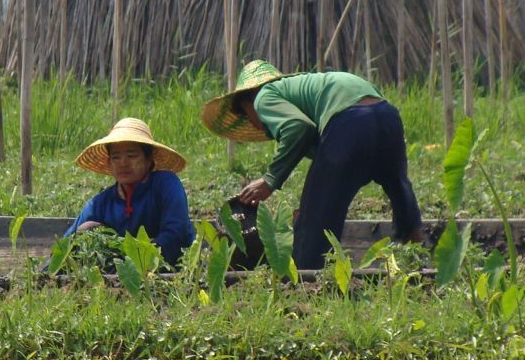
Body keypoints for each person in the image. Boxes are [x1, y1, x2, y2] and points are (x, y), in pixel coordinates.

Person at [200, 60, 422, 270]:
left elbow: (298, 128)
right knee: (399, 188)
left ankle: (307, 285)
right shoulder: (302, 90)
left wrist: (270, 181)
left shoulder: (263, 96)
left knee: (316, 220)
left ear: (248, 105)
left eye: (248, 117)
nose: (255, 124)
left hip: (349, 122)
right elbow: (326, 152)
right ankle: (416, 258)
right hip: (387, 116)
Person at [64, 117, 195, 265]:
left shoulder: (166, 185)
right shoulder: (100, 204)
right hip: (113, 276)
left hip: (166, 270)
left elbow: (176, 234)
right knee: (87, 228)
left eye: (132, 156)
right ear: (110, 163)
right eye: (116, 157)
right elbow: (66, 245)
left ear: (148, 160)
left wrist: (130, 258)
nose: (123, 163)